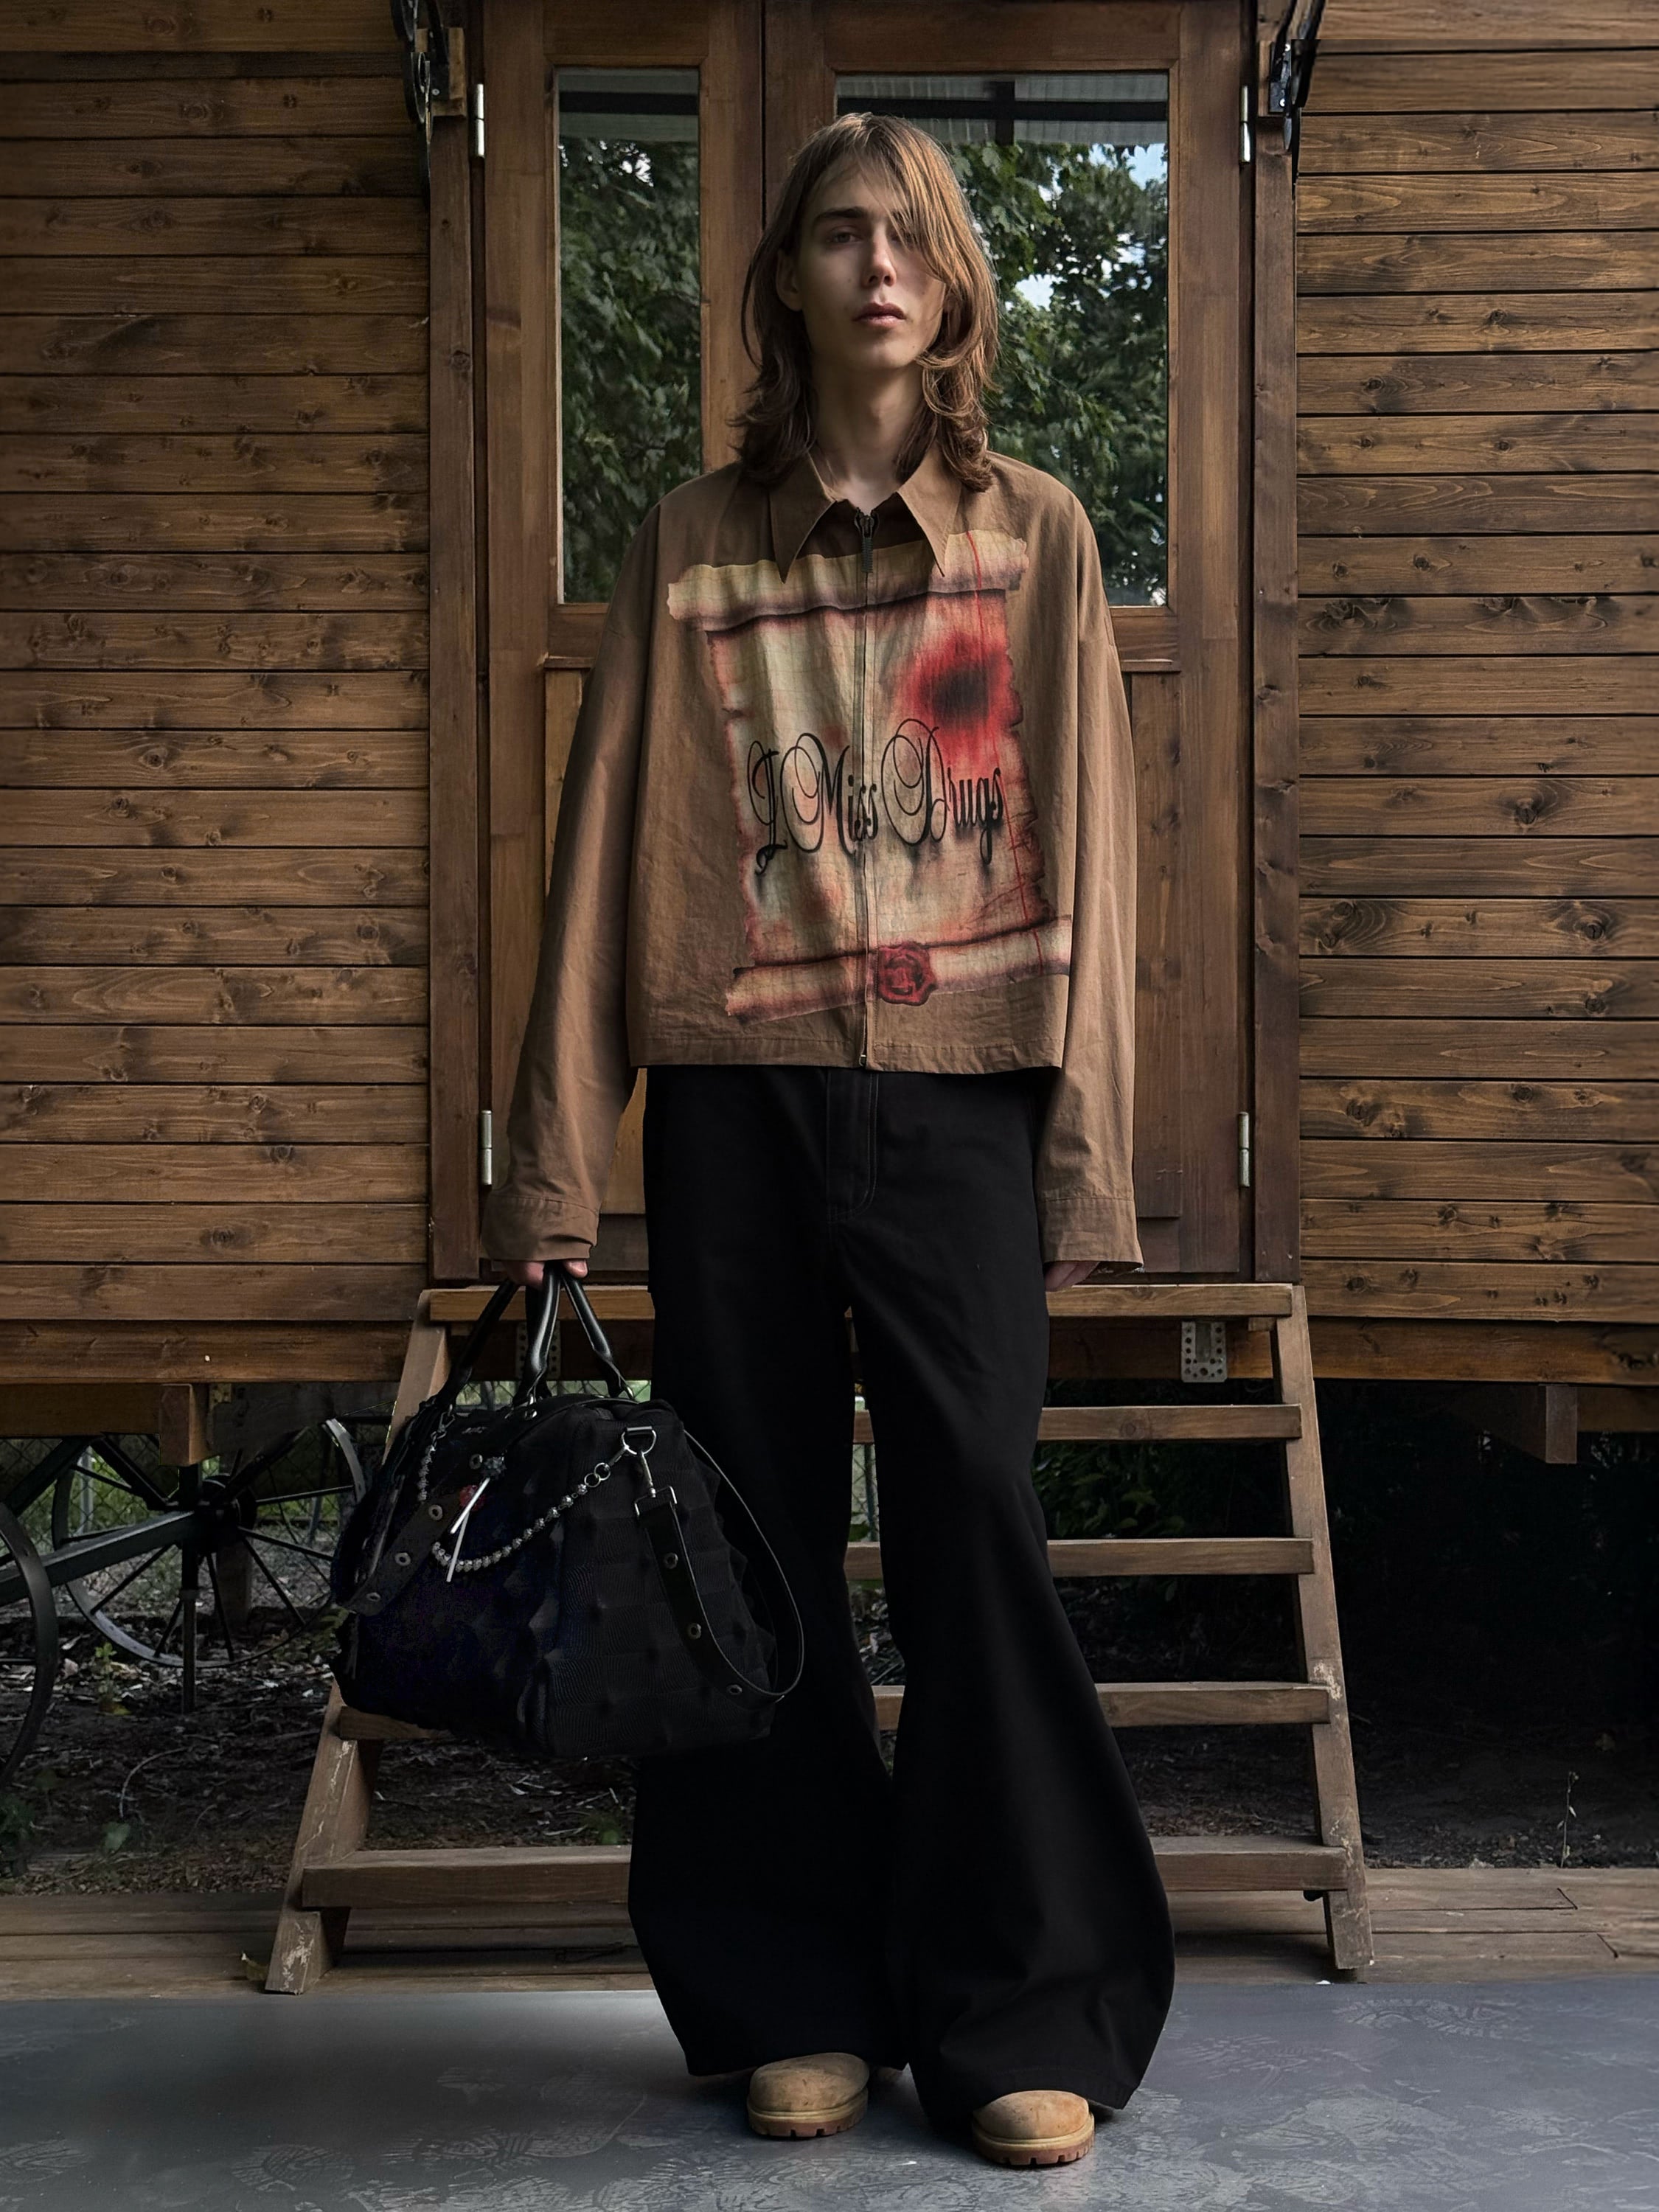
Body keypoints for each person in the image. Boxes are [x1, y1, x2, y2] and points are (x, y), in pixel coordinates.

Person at [482, 111, 1175, 2171]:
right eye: (839, 234)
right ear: (783, 279)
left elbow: (1094, 859)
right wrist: (552, 1160)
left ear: (953, 290)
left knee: (974, 1519)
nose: (878, 265)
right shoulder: (691, 540)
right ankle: (788, 1990)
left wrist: (1085, 1155)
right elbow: (603, 844)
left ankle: (1016, 2004)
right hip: (736, 1101)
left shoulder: (1036, 536)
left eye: (913, 237)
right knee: (752, 1539)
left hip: (965, 1097)